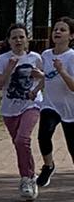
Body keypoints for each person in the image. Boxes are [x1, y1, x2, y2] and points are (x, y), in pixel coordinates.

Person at [0, 25, 45, 200]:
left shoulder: (35, 58)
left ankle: (27, 179)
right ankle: (31, 173)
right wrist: (9, 69)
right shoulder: (2, 60)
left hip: (31, 104)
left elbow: (46, 79)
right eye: (14, 38)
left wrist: (38, 84)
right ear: (8, 41)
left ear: (27, 39)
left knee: (22, 139)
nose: (18, 41)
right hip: (9, 109)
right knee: (19, 144)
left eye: (21, 37)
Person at [36, 16, 74, 189]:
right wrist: (36, 88)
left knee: (72, 146)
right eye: (55, 29)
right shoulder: (46, 55)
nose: (57, 32)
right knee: (44, 135)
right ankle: (48, 166)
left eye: (62, 30)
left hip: (70, 108)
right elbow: (47, 77)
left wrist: (62, 70)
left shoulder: (72, 57)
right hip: (50, 105)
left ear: (71, 36)